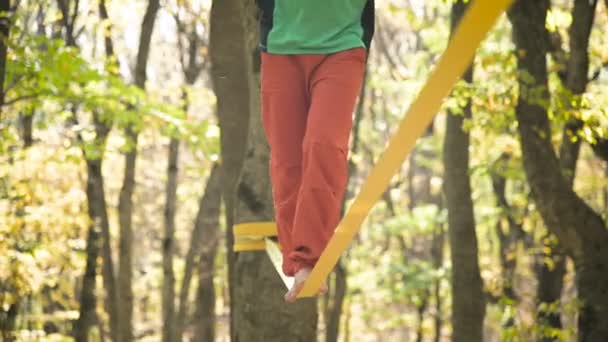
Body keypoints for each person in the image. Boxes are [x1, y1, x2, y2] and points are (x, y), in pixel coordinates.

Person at [256, 0, 375, 302]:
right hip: (281, 46)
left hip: (343, 45)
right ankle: (295, 261)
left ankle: (309, 259)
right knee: (287, 163)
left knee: (323, 145)